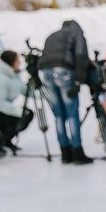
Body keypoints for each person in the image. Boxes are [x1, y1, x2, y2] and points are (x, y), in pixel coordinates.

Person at [39, 20, 92, 165]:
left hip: (46, 72)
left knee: (58, 114)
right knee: (71, 113)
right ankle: (77, 152)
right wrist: (78, 81)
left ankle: (65, 153)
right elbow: (81, 57)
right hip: (63, 72)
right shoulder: (77, 35)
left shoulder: (52, 35)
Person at [0, 49, 32, 152]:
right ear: (10, 62)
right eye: (17, 61)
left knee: (27, 114)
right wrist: (19, 112)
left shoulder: (13, 75)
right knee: (24, 115)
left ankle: (5, 140)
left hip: (3, 112)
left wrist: (40, 92)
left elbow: (24, 90)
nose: (20, 63)